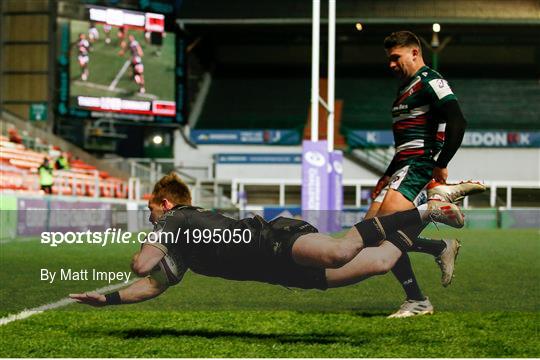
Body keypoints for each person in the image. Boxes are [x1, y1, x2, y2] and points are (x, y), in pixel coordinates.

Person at [71, 173, 466, 307]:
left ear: (165, 202)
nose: (150, 215)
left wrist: (148, 241)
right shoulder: (181, 243)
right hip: (283, 274)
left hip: (272, 241)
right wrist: (106, 299)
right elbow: (152, 284)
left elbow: (142, 266)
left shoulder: (175, 217)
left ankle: (430, 210)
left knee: (340, 251)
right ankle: (433, 234)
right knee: (379, 263)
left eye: (150, 209)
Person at [366, 30, 475, 318]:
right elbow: (404, 144)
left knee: (382, 230)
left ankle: (417, 299)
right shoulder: (404, 87)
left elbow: (458, 121)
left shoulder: (431, 81)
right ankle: (438, 248)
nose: (390, 64)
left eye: (395, 57)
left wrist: (440, 163)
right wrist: (386, 175)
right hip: (402, 167)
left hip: (418, 167)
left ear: (414, 53)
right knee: (371, 235)